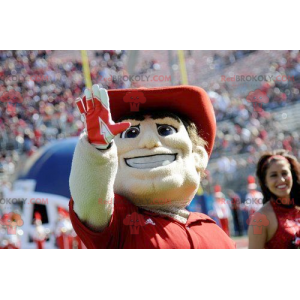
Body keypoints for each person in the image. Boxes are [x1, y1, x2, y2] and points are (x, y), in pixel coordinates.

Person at [69, 85, 235, 249]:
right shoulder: (120, 223)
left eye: (165, 130)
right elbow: (90, 203)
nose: (149, 141)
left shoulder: (213, 231)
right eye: (131, 133)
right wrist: (98, 149)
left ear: (197, 156)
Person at [248, 150, 300, 249]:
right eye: (273, 175)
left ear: (292, 176)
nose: (281, 180)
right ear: (265, 182)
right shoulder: (260, 218)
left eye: (284, 173)